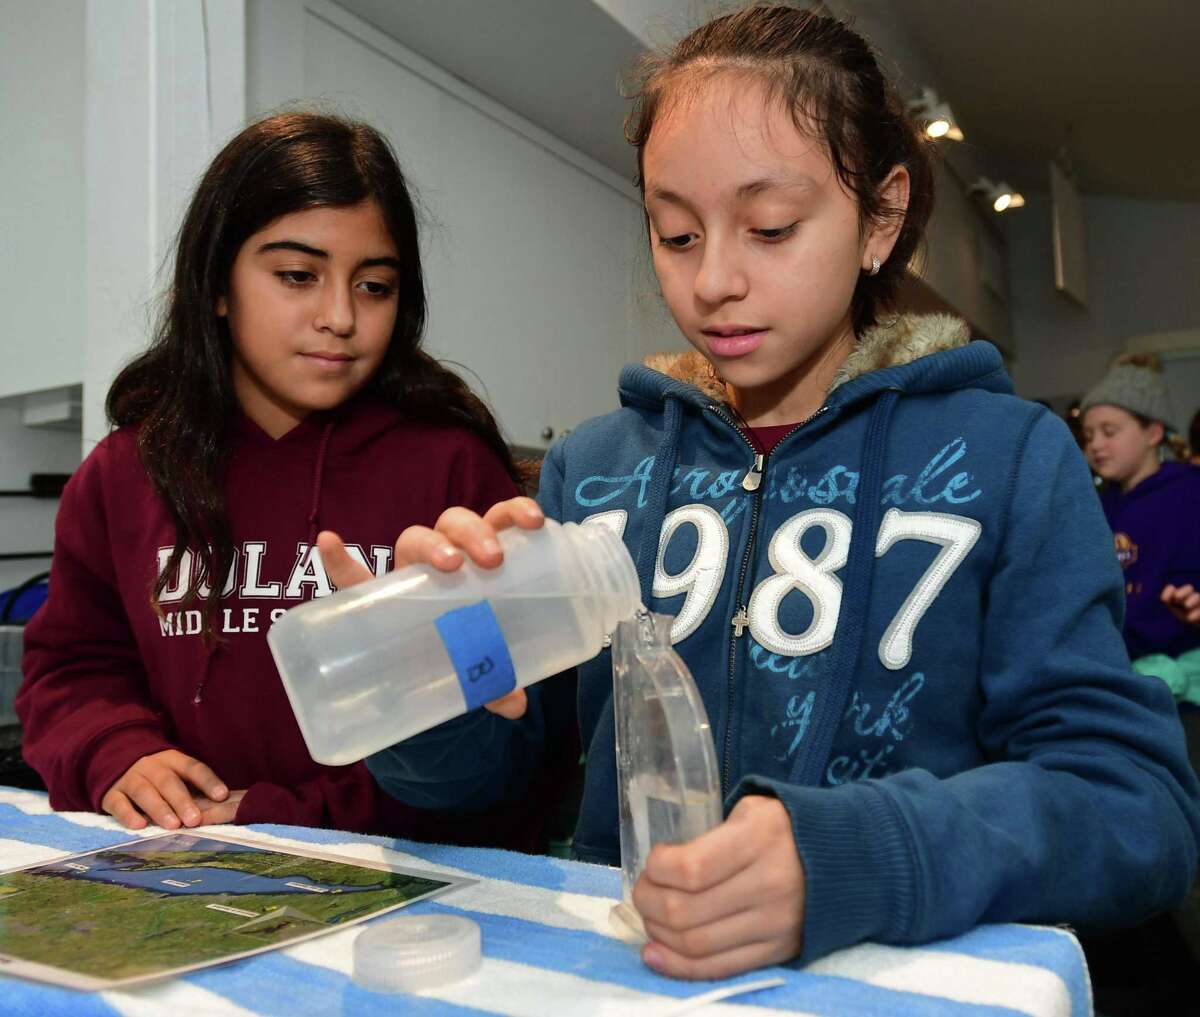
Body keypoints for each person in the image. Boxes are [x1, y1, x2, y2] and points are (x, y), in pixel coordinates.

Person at [324, 5, 1200, 978]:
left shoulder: (1011, 457)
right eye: (676, 232)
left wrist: (850, 858)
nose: (715, 281)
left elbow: (1134, 805)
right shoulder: (596, 470)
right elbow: (490, 781)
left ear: (882, 216)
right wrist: (429, 670)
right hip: (635, 978)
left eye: (770, 227)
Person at [17, 112, 571, 851]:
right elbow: (73, 669)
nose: (340, 317)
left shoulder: (453, 469)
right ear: (217, 283)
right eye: (297, 276)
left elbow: (505, 757)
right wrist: (117, 749)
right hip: (172, 863)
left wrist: (279, 812)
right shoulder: (121, 475)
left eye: (373, 286)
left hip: (397, 881)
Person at [1081, 355, 1200, 701]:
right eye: (1088, 435)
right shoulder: (1096, 504)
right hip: (1118, 678)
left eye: (1110, 431)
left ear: (1153, 432)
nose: (1096, 445)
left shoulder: (1190, 493)